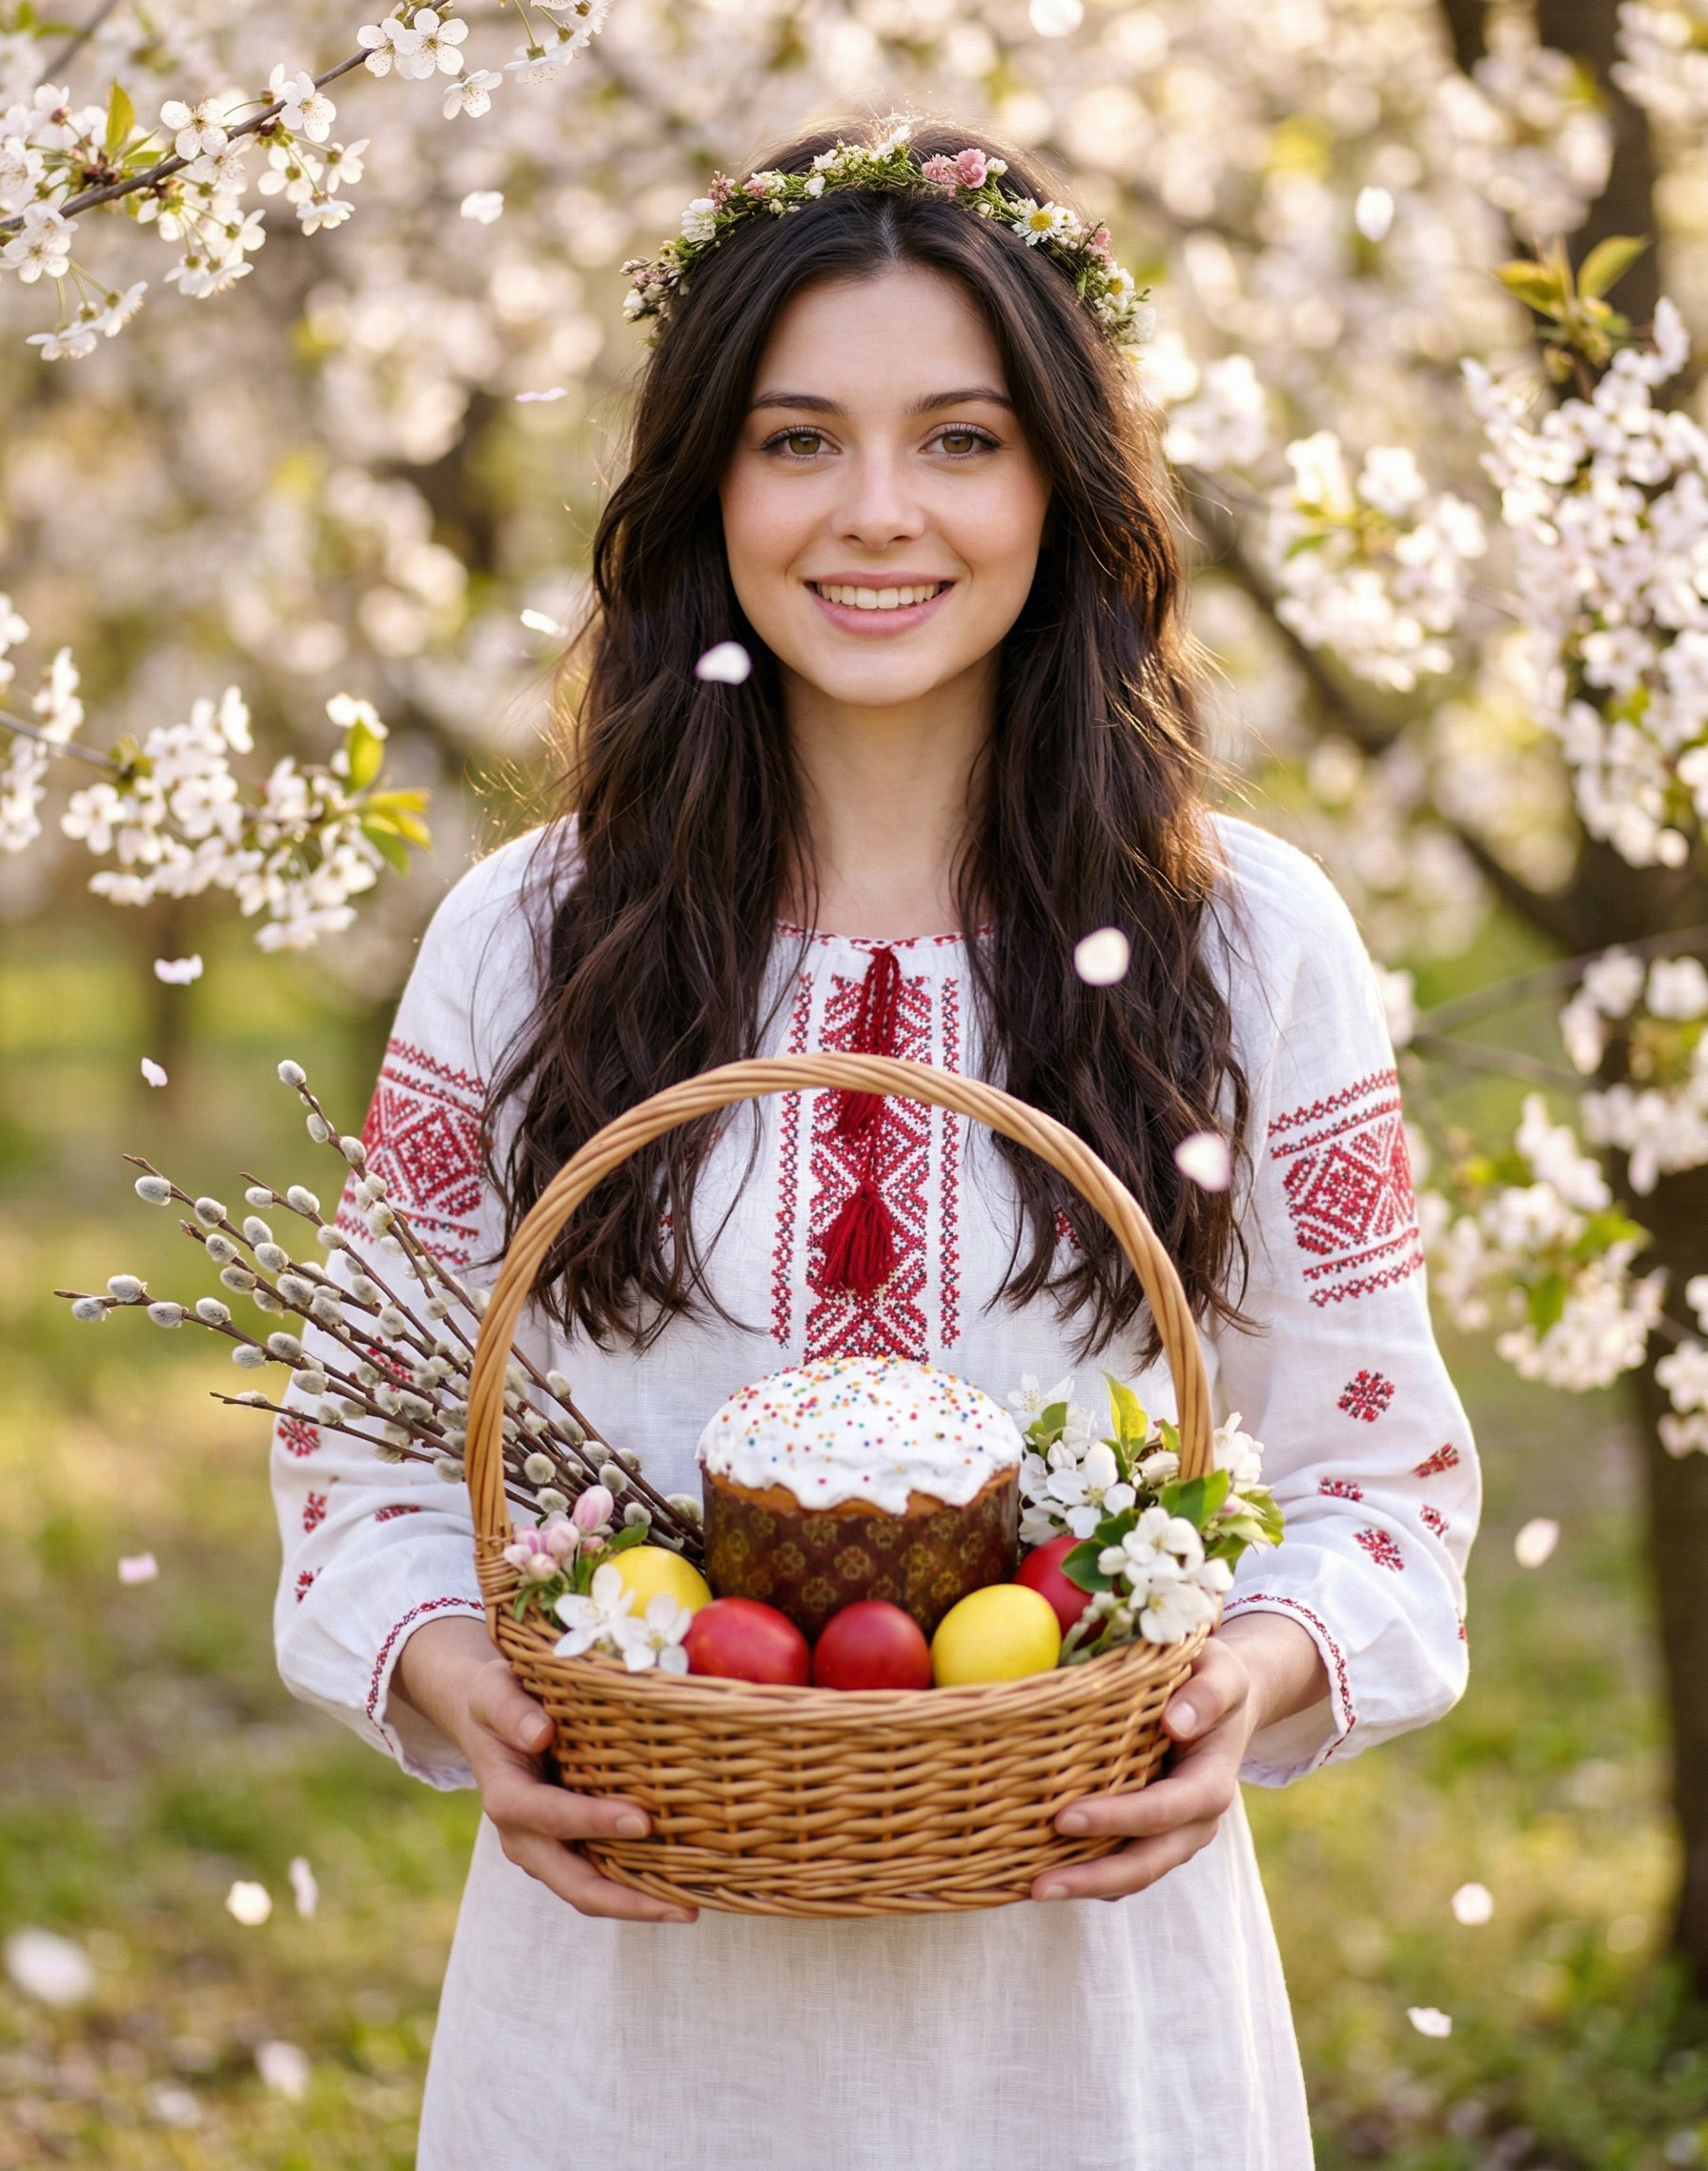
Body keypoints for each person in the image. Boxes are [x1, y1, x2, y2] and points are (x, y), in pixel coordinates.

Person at [271, 122, 1478, 2170]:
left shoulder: (1246, 942)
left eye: (960, 438)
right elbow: (362, 1439)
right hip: (630, 2010)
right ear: (702, 489)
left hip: (1086, 2026)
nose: (877, 513)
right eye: (798, 439)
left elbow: (1380, 1481)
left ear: (1061, 488)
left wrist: (1246, 1681)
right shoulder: (531, 937)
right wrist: (460, 1675)